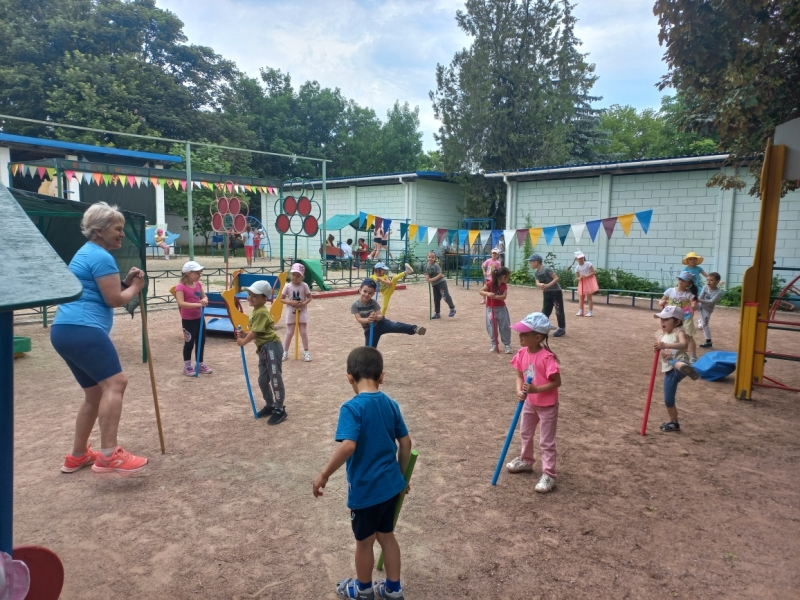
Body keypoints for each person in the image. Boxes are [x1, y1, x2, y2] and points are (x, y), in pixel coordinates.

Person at [51, 202, 148, 474]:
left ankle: (77, 455)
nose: (121, 234)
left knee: (94, 394)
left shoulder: (87, 252)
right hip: (83, 329)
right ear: (99, 231)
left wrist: (126, 282)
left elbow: (101, 290)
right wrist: (136, 287)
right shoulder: (101, 257)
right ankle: (109, 455)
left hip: (64, 329)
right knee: (116, 383)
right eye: (117, 229)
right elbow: (114, 299)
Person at [313, 346, 412, 600]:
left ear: (349, 377)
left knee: (365, 542)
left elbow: (348, 445)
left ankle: (364, 590)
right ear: (382, 376)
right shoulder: (390, 404)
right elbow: (406, 443)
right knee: (387, 537)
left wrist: (324, 474)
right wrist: (402, 479)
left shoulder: (352, 408)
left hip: (366, 491)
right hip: (391, 487)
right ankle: (393, 590)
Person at [505, 312, 562, 493]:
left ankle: (549, 474)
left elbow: (556, 382)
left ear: (537, 337)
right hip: (529, 403)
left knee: (546, 441)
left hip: (547, 406)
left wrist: (536, 389)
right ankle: (526, 460)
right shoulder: (522, 353)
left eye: (524, 333)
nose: (520, 336)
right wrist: (519, 391)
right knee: (525, 433)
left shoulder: (546, 357)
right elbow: (520, 376)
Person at [236, 280, 287, 424]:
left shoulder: (262, 312)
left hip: (271, 346)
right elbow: (256, 331)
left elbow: (254, 333)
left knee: (275, 377)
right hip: (263, 349)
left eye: (255, 296)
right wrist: (245, 334)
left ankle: (280, 408)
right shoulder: (255, 311)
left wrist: (243, 342)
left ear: (264, 299)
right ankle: (270, 404)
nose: (250, 297)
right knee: (263, 380)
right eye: (249, 294)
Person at [653, 305, 700, 432]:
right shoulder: (662, 336)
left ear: (677, 322)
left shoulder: (679, 331)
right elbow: (661, 350)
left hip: (680, 363)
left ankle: (685, 368)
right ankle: (674, 423)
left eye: (666, 319)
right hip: (669, 371)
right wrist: (657, 348)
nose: (662, 322)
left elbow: (684, 344)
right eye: (662, 319)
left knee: (676, 363)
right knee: (668, 400)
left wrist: (665, 345)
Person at [352, 279, 426, 348]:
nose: (367, 294)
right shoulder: (355, 305)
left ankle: (415, 329)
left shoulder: (373, 303)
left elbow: (380, 316)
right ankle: (370, 358)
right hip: (369, 330)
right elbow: (359, 319)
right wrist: (368, 319)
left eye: (370, 293)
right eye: (365, 291)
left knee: (396, 326)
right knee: (369, 350)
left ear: (373, 294)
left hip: (381, 324)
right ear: (360, 290)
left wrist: (376, 317)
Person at [175, 261, 211, 376]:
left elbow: (204, 296)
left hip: (199, 317)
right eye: (197, 273)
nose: (199, 275)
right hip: (188, 320)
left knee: (201, 341)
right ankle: (187, 366)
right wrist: (198, 305)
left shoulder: (198, 285)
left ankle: (199, 364)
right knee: (189, 342)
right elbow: (181, 303)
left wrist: (204, 300)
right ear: (188, 273)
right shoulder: (180, 287)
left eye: (200, 273)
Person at [659, 271, 698, 363]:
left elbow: (694, 305)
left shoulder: (689, 294)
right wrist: (661, 302)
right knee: (670, 334)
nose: (680, 281)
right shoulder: (670, 291)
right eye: (680, 279)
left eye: (683, 280)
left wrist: (693, 306)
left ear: (689, 283)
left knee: (688, 336)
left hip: (686, 317)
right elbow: (661, 300)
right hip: (672, 317)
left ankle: (693, 356)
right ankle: (670, 351)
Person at [281, 263, 313, 362]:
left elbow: (309, 297)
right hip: (291, 312)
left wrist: (303, 303)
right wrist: (291, 302)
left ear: (302, 277)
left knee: (303, 332)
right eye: (293, 275)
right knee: (289, 332)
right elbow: (282, 299)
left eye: (298, 275)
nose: (295, 277)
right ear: (290, 274)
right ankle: (285, 352)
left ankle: (306, 352)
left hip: (302, 312)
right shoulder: (287, 286)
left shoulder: (304, 285)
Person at [528, 254, 566, 337]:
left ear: (536, 262)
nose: (530, 264)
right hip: (546, 293)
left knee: (558, 310)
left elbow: (556, 278)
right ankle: (542, 327)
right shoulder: (536, 273)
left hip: (556, 292)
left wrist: (548, 285)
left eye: (531, 262)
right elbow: (537, 282)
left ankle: (562, 328)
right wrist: (540, 285)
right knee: (545, 311)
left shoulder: (546, 269)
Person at [479, 266, 512, 353]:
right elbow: (481, 291)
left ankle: (507, 345)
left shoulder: (504, 285)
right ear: (504, 276)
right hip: (490, 309)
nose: (508, 279)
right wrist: (488, 293)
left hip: (502, 309)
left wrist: (495, 296)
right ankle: (494, 344)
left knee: (505, 326)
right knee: (491, 327)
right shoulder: (490, 283)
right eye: (508, 277)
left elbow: (504, 297)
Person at [423, 251, 456, 318]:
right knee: (436, 298)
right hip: (434, 285)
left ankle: (452, 308)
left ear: (435, 258)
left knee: (445, 295)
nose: (431, 258)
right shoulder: (425, 266)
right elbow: (426, 273)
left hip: (441, 283)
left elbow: (440, 275)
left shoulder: (436, 265)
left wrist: (431, 279)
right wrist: (427, 277)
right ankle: (437, 313)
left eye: (432, 257)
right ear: (427, 257)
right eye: (429, 257)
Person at [697, 272, 724, 349]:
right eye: (707, 280)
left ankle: (708, 342)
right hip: (700, 305)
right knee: (689, 302)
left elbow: (711, 302)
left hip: (707, 309)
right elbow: (700, 296)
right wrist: (696, 300)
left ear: (717, 282)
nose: (708, 282)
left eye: (711, 280)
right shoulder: (705, 287)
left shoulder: (718, 292)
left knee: (705, 325)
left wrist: (700, 300)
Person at [573, 250, 599, 317]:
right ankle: (580, 311)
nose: (581, 259)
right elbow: (577, 276)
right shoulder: (577, 267)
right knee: (581, 297)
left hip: (589, 282)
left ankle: (590, 312)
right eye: (579, 258)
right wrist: (579, 278)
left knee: (589, 297)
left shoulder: (588, 264)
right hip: (582, 283)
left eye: (582, 258)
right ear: (576, 259)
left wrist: (586, 276)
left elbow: (593, 272)